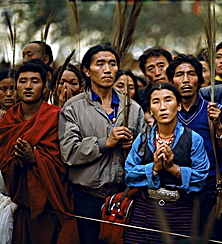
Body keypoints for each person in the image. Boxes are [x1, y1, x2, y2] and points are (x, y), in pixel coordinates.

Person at [58, 44, 146, 244]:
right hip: (88, 196)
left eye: (112, 64)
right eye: (100, 64)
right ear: (86, 71)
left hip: (124, 195)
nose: (108, 69)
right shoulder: (73, 107)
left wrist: (133, 147)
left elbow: (146, 150)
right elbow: (69, 152)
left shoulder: (132, 108)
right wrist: (106, 142)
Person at [0, 62, 79, 243]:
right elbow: (4, 162)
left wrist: (35, 158)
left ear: (45, 87)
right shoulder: (9, 120)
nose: (28, 86)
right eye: (22, 81)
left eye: (35, 81)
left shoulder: (57, 116)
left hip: (52, 203)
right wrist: (18, 161)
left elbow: (65, 161)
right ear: (16, 86)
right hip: (23, 204)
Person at [125, 82, 209, 243]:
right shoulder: (142, 140)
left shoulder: (193, 139)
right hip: (145, 211)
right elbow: (129, 174)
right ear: (150, 110)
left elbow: (201, 177)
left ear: (178, 106)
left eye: (168, 100)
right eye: (156, 102)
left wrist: (172, 168)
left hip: (181, 212)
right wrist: (154, 168)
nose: (162, 107)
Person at [167, 54, 222, 241]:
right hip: (175, 189)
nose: (186, 80)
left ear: (200, 80)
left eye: (191, 74)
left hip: (209, 188)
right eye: (180, 75)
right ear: (171, 81)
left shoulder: (213, 109)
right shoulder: (165, 113)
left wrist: (218, 125)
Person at [136, 47, 173, 112]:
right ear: (146, 75)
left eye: (161, 66)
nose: (157, 73)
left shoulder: (183, 92)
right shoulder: (139, 100)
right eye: (151, 69)